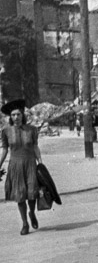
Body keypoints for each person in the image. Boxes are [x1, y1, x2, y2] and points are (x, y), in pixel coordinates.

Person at [0, 99, 43, 235]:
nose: (16, 117)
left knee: (32, 194)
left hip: (30, 164)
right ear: (10, 117)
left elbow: (35, 146)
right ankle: (24, 223)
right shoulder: (6, 131)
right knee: (20, 196)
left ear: (22, 115)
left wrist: (40, 162)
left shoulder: (32, 130)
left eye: (18, 114)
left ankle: (31, 212)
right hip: (15, 166)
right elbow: (5, 150)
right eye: (13, 115)